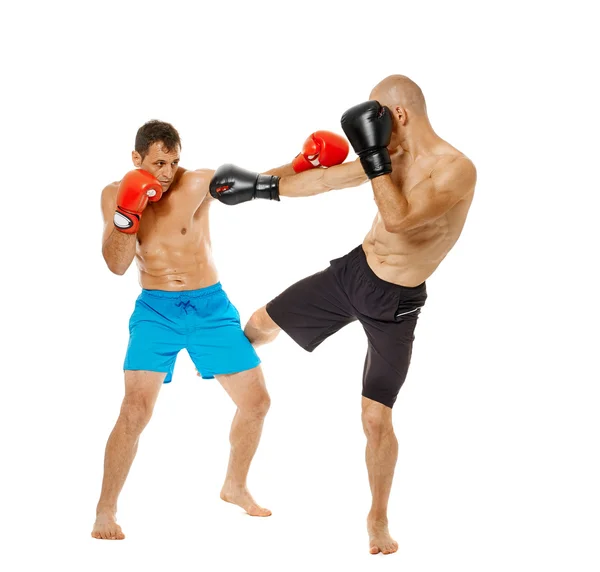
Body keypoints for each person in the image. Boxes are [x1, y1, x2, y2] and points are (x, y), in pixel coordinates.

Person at [209, 75, 477, 555]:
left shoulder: (456, 169)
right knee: (259, 321)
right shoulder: (392, 155)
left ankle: (377, 520)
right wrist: (260, 186)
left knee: (375, 418)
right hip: (353, 273)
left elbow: (398, 218)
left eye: (375, 114)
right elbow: (327, 180)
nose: (369, 125)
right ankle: (233, 374)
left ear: (398, 115)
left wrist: (374, 158)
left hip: (395, 306)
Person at [93, 120, 360, 540]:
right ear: (136, 159)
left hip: (209, 308)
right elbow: (116, 264)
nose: (166, 172)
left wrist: (302, 164)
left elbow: (258, 183)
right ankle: (105, 511)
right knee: (134, 411)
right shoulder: (113, 194)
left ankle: (234, 486)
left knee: (256, 402)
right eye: (158, 162)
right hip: (155, 312)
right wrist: (128, 216)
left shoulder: (196, 182)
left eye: (174, 161)